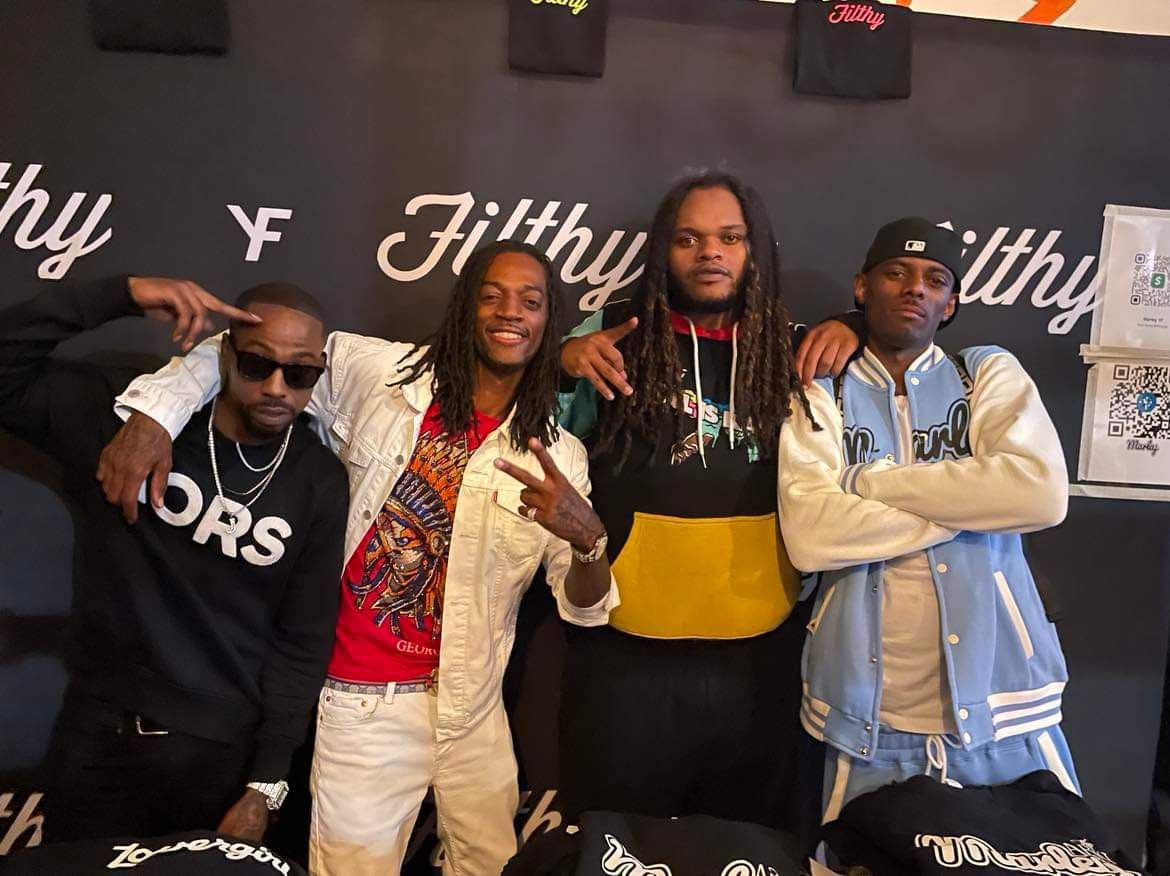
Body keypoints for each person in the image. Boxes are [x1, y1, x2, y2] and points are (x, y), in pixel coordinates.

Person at [99, 240, 619, 875]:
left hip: (474, 711)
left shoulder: (559, 457)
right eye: (492, 296)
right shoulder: (381, 375)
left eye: (529, 301)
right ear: (465, 307)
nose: (509, 312)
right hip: (363, 702)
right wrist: (155, 416)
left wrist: (589, 541)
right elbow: (241, 347)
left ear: (547, 322)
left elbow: (585, 609)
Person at [554, 171, 861, 832]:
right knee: (617, 849)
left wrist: (858, 326)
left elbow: (904, 352)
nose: (710, 253)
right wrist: (560, 362)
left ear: (755, 250)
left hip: (759, 658)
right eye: (688, 239)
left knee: (748, 854)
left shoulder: (794, 347)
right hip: (626, 657)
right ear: (663, 251)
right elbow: (527, 424)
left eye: (729, 237)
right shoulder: (613, 334)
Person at [0, 275, 348, 842]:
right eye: (257, 364)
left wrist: (266, 782)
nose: (277, 388)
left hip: (220, 761)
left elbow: (302, 640)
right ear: (224, 355)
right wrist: (121, 293)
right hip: (100, 735)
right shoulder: (127, 421)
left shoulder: (319, 479)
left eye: (300, 373)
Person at [777, 217, 1077, 824]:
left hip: (1004, 704)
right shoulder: (822, 391)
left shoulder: (985, 372)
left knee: (1035, 856)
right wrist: (974, 507)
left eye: (935, 279)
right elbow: (811, 535)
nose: (916, 287)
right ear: (861, 288)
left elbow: (1040, 495)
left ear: (952, 302)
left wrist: (867, 484)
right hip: (865, 714)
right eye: (896, 272)